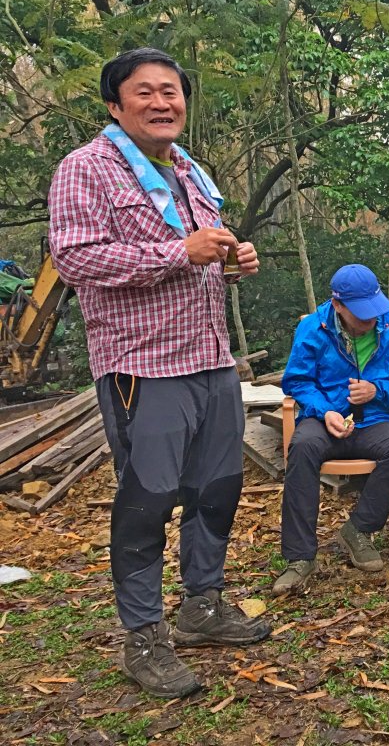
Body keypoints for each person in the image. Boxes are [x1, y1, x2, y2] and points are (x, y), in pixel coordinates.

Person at [48, 48, 270, 699]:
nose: (162, 101)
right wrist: (179, 253)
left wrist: (233, 258)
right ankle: (143, 637)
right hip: (143, 368)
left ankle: (203, 606)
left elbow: (203, 250)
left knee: (218, 490)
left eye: (171, 91)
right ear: (115, 105)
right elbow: (76, 260)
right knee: (146, 504)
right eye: (144, 92)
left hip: (213, 360)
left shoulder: (191, 173)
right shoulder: (86, 169)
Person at [274, 264, 389, 594]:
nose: (370, 320)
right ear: (338, 305)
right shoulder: (313, 330)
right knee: (301, 448)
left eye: (374, 311)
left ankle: (358, 530)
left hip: (375, 421)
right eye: (360, 314)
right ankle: (300, 558)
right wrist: (325, 409)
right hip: (324, 422)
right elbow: (297, 381)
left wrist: (378, 390)